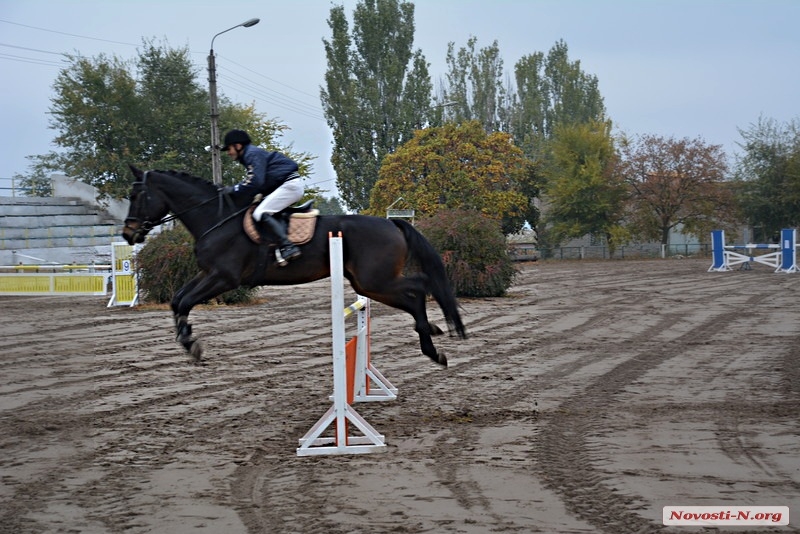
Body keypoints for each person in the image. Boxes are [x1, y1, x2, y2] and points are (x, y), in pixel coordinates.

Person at [220, 129, 303, 264]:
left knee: (260, 213)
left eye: (229, 149)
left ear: (238, 145)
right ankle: (278, 249)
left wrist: (233, 189)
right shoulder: (250, 155)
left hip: (289, 185)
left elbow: (255, 181)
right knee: (258, 209)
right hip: (285, 185)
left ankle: (288, 247)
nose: (229, 153)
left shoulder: (251, 154)